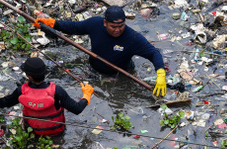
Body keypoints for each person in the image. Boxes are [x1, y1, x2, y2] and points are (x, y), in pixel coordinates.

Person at [33, 5, 167, 97]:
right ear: (105, 23)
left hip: (119, 74)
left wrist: (160, 73)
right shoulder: (95, 24)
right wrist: (51, 23)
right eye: (113, 26)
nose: (117, 30)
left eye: (121, 26)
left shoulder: (132, 38)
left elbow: (153, 53)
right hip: (93, 67)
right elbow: (74, 27)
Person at [0, 57, 93, 136]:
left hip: (33, 133)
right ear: (45, 73)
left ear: (28, 76)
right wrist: (86, 95)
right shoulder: (57, 91)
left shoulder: (21, 91)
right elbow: (77, 109)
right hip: (57, 133)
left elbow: (6, 102)